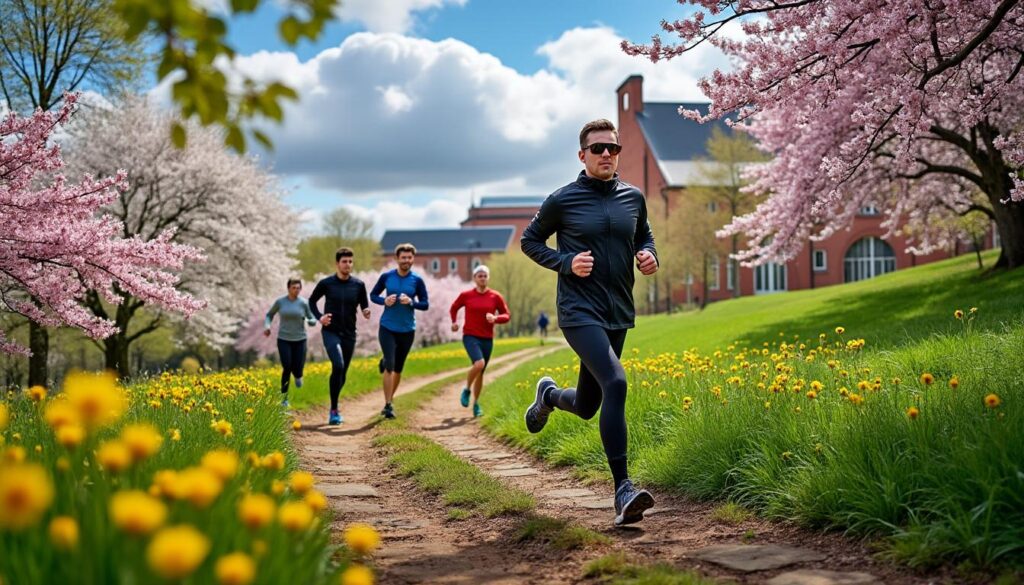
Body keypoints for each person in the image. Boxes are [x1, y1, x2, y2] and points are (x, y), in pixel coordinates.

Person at [520, 118, 659, 527]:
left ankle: (547, 397)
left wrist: (650, 255)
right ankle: (623, 489)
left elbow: (644, 236)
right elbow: (530, 241)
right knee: (616, 381)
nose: (605, 155)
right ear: (582, 155)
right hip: (579, 312)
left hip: (618, 311)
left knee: (587, 404)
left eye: (612, 149)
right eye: (597, 149)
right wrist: (565, 262)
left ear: (618, 155)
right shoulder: (562, 200)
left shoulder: (633, 197)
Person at [308, 247, 371, 425]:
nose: (348, 265)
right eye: (344, 261)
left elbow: (364, 304)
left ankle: (333, 403)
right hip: (331, 331)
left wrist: (366, 311)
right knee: (338, 364)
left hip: (350, 333)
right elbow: (311, 301)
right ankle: (334, 410)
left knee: (342, 373)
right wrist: (320, 317)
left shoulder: (359, 285)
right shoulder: (326, 284)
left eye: (350, 261)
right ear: (337, 264)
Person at [370, 243, 429, 419]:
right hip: (387, 326)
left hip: (407, 329)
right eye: (403, 257)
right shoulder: (387, 277)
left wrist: (411, 302)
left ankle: (391, 399)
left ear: (413, 259)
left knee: (398, 368)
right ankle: (388, 405)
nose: (406, 260)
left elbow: (425, 304)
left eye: (409, 257)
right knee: (390, 365)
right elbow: (373, 295)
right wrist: (384, 301)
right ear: (397, 259)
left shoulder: (417, 280)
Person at [449, 265, 510, 418]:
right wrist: (454, 322)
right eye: (479, 276)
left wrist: (496, 318)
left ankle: (476, 404)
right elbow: (454, 307)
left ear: (488, 278)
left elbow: (506, 315)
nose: (482, 278)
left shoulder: (495, 296)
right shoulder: (466, 295)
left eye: (485, 276)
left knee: (481, 373)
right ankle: (467, 389)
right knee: (479, 364)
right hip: (470, 335)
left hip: (487, 338)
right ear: (475, 278)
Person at [264, 278, 317, 407]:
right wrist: (267, 326)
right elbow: (269, 315)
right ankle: (284, 398)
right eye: (294, 288)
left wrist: (311, 321)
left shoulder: (304, 303)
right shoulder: (280, 302)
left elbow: (312, 317)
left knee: (298, 367)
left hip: (300, 339)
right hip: (284, 339)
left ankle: (298, 376)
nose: (296, 290)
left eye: (298, 288)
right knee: (287, 366)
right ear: (288, 288)